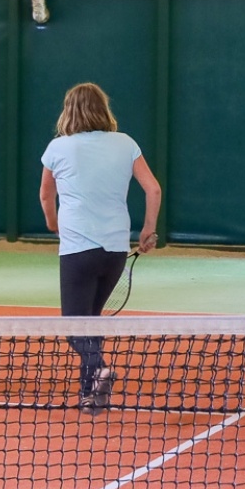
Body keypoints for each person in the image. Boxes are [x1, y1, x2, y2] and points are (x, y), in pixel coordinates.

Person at [40, 82, 161, 415]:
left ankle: (100, 368)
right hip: (114, 251)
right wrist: (148, 231)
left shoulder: (58, 148)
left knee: (72, 325)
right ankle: (90, 395)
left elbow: (46, 196)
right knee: (90, 320)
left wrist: (53, 224)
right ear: (103, 109)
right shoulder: (126, 144)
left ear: (69, 111)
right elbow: (153, 190)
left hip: (78, 250)